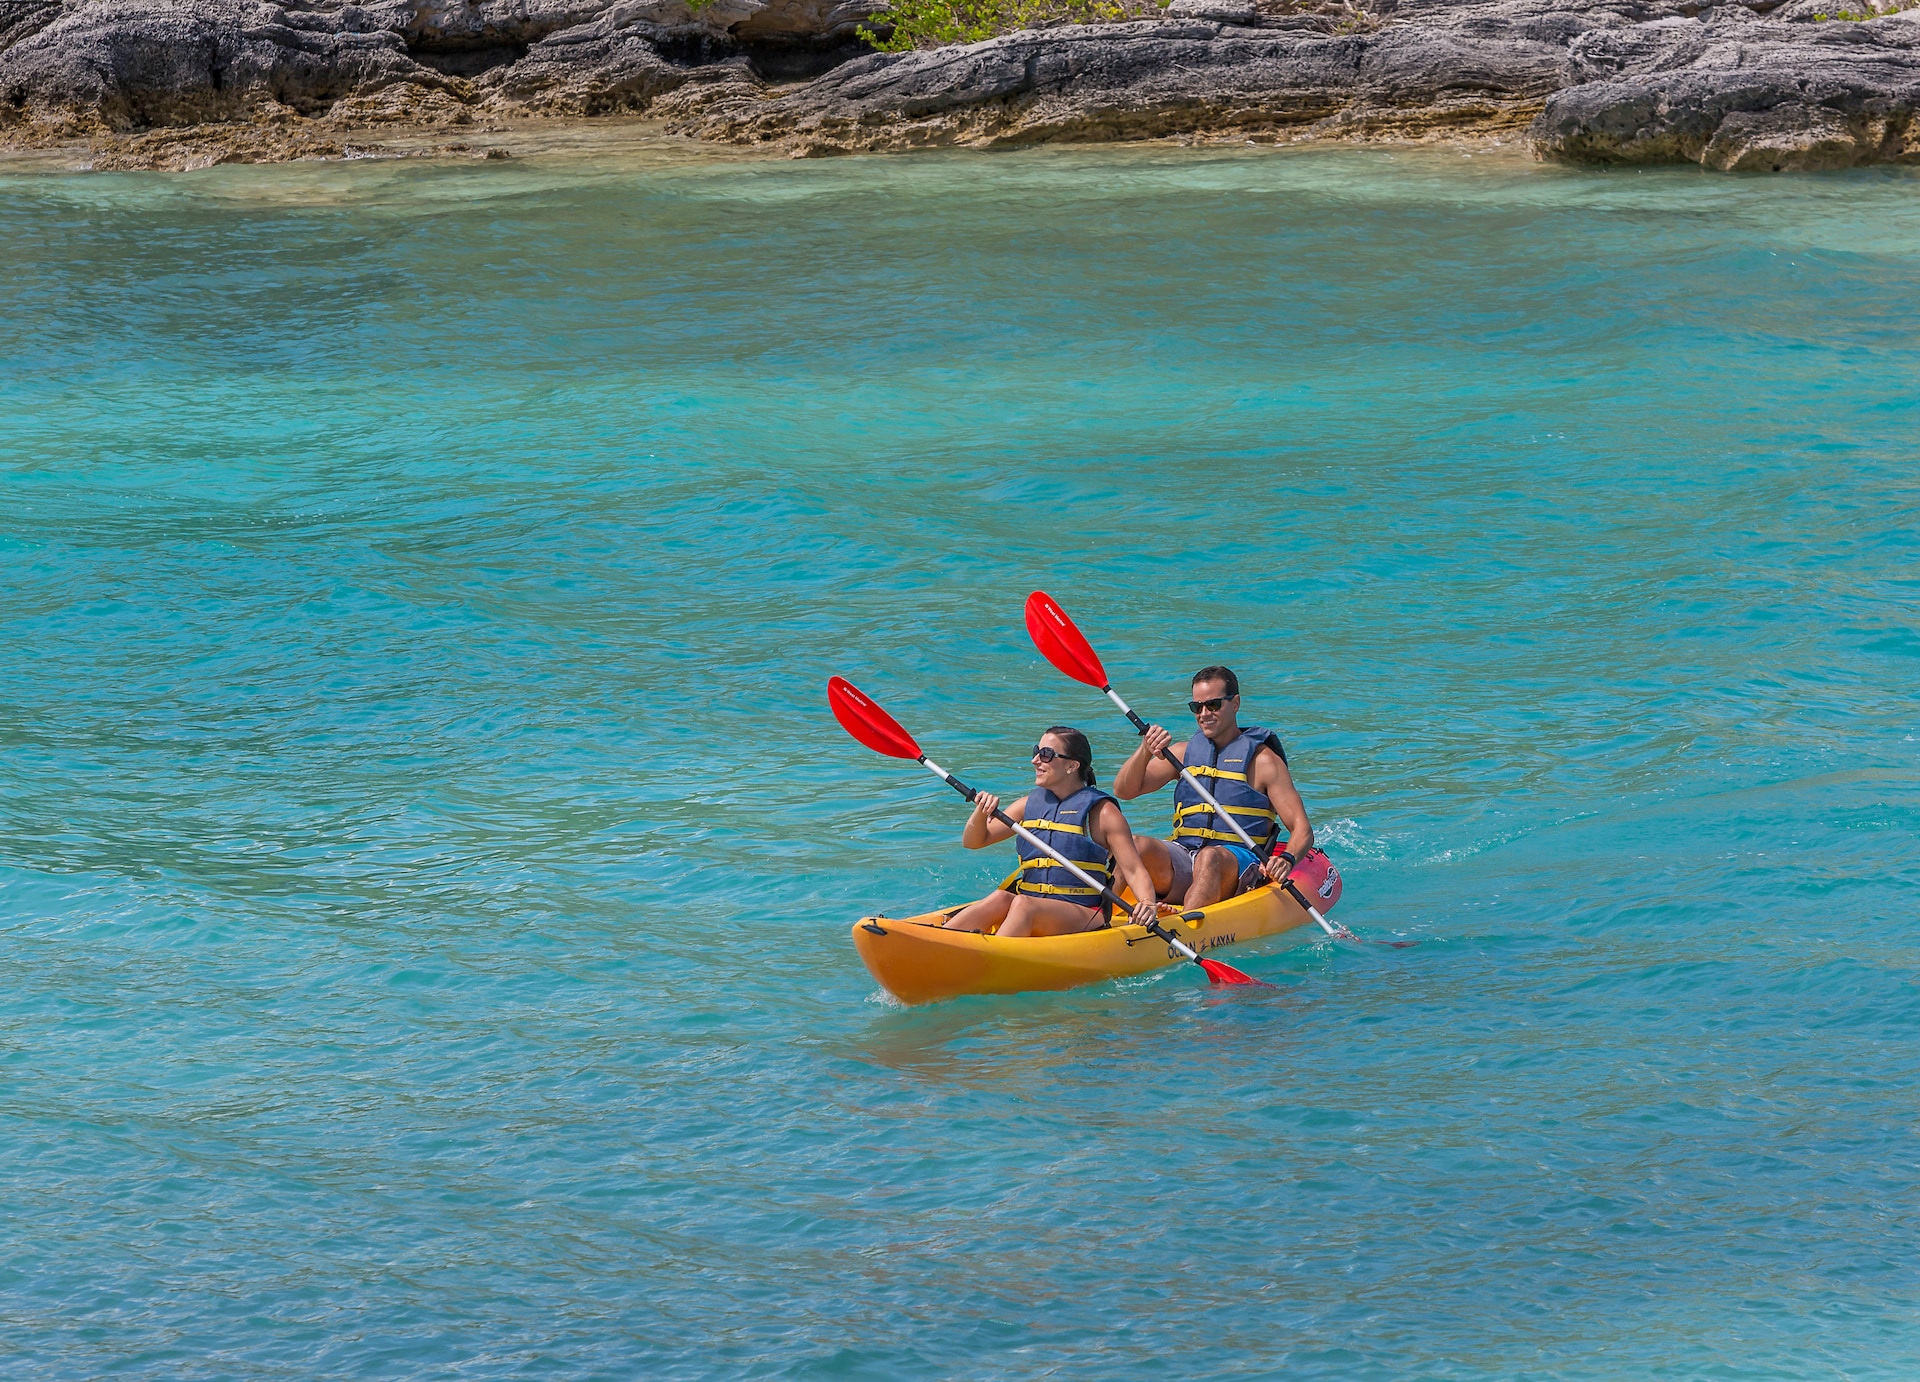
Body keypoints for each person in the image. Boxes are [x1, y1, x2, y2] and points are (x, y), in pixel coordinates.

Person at [1113, 664, 1341, 911]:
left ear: (1235, 703)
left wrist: (1286, 859)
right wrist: (1145, 751)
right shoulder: (1182, 753)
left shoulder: (1263, 762)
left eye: (1213, 705)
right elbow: (1124, 791)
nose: (1203, 714)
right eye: (1196, 707)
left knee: (1209, 857)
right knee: (1134, 844)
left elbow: (1302, 829)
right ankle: (1095, 916)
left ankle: (1185, 925)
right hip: (1184, 853)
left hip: (1235, 863)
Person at [944, 727, 1159, 937]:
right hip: (1033, 903)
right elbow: (973, 842)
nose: (1035, 760)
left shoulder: (1102, 813)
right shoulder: (1027, 805)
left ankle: (988, 959)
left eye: (1046, 754)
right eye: (1036, 751)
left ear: (1072, 766)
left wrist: (1148, 904)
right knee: (1001, 898)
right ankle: (943, 941)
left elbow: (1134, 870)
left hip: (1083, 913)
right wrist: (980, 813)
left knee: (1022, 904)